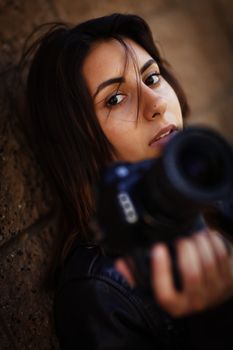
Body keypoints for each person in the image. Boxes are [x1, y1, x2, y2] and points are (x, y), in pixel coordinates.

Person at [22, 13, 233, 349]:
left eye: (151, 78)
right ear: (77, 143)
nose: (156, 104)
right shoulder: (100, 293)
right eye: (115, 99)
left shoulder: (220, 189)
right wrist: (212, 318)